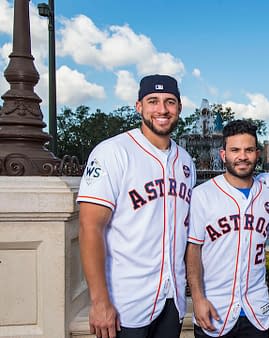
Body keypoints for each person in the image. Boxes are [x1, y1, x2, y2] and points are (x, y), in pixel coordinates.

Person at [78, 74, 196, 338]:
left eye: (170, 102)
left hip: (172, 300)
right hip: (125, 303)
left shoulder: (186, 161)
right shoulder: (112, 152)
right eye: (153, 101)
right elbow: (89, 227)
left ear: (179, 108)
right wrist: (99, 302)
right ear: (139, 106)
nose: (162, 109)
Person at [186, 120, 269, 337]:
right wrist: (198, 299)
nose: (242, 156)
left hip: (255, 311)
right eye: (235, 150)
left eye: (249, 150)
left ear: (257, 154)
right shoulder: (202, 195)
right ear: (223, 155)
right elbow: (193, 250)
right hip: (214, 308)